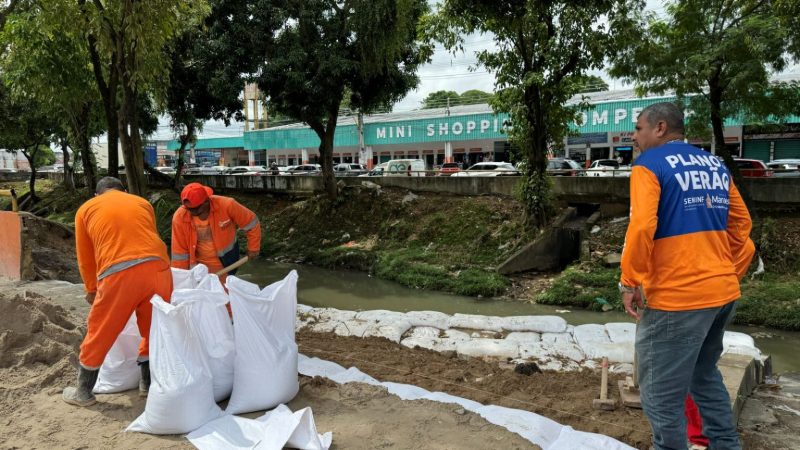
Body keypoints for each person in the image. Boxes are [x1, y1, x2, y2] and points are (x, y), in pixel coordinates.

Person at [620, 102, 754, 450]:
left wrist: (629, 280)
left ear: (660, 128)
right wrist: (726, 271)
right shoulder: (716, 165)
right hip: (722, 293)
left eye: (638, 129)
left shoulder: (648, 165)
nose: (634, 137)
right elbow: (742, 225)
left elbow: (642, 227)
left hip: (678, 299)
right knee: (703, 375)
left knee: (660, 396)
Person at [63, 177, 172, 407]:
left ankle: (83, 392)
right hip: (159, 268)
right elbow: (147, 235)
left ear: (96, 195)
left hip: (119, 272)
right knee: (153, 329)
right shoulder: (142, 203)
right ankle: (148, 385)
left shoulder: (86, 209)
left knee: (100, 330)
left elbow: (85, 258)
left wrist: (92, 290)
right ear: (124, 190)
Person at [171, 182, 261, 281]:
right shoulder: (180, 217)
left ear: (206, 201)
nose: (192, 212)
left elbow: (251, 223)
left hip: (226, 264)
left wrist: (253, 248)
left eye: (196, 209)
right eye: (188, 209)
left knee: (223, 294)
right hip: (197, 268)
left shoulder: (227, 205)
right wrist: (180, 278)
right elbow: (179, 253)